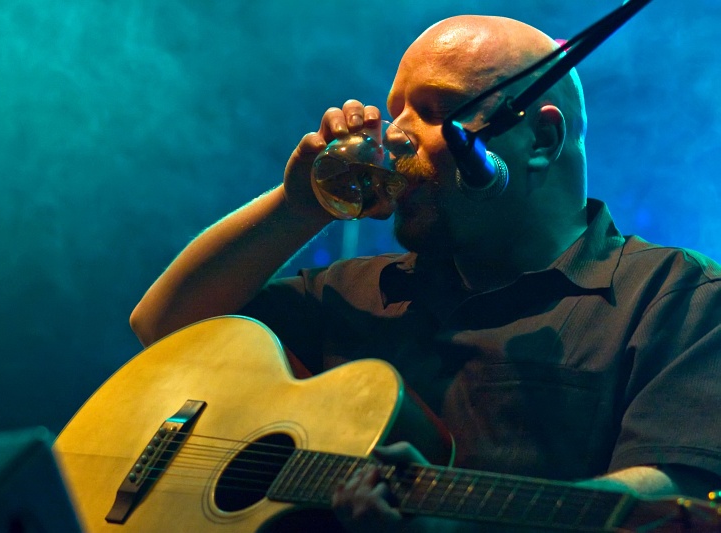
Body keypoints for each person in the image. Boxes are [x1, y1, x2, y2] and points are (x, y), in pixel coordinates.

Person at [129, 14, 721, 533]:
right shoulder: (359, 290)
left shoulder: (677, 298)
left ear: (541, 139)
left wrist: (461, 523)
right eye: (395, 112)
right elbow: (164, 326)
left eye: (434, 111)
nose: (392, 134)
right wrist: (299, 207)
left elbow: (677, 491)